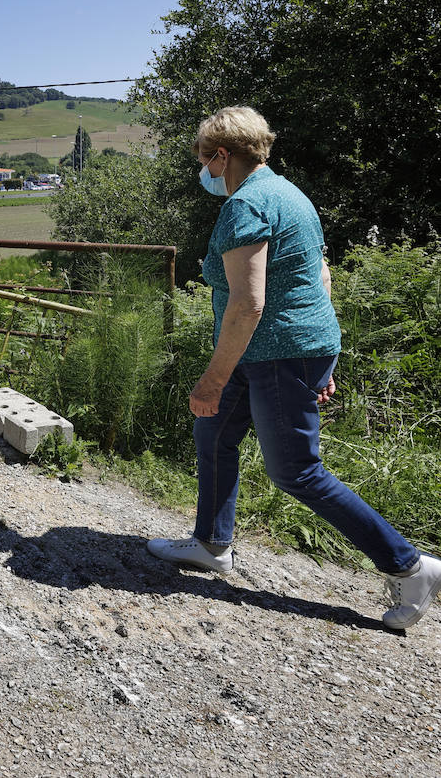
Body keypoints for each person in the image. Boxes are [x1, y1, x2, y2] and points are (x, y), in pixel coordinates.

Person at [146, 106, 441, 629]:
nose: (203, 169)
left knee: (297, 472)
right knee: (213, 434)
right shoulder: (290, 193)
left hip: (276, 351)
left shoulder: (247, 205)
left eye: (204, 157)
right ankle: (212, 543)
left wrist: (213, 376)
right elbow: (320, 273)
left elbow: (248, 304)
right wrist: (321, 358)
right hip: (278, 348)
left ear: (221, 155)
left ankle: (411, 566)